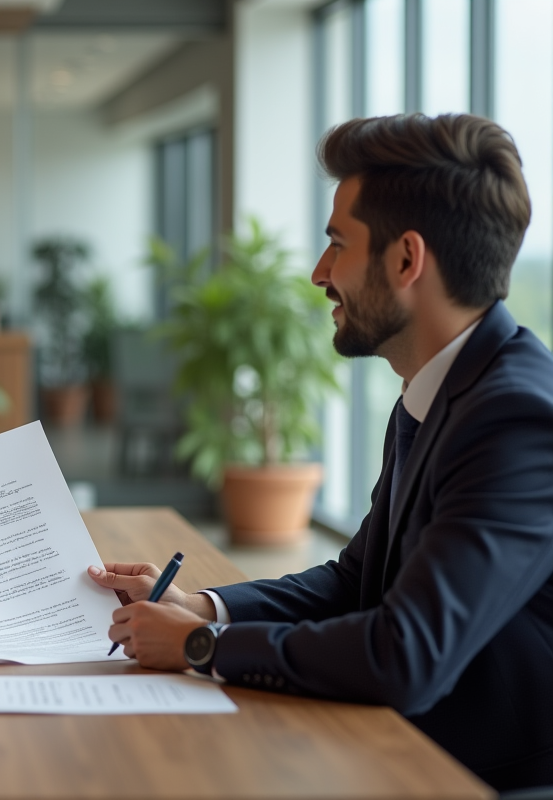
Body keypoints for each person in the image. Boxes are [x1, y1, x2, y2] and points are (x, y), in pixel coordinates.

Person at [87, 113, 553, 792]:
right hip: (405, 741)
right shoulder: (441, 388)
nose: (317, 272)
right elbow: (354, 582)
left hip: (477, 775)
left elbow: (406, 654)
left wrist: (199, 648)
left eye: (338, 244)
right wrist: (203, 608)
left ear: (406, 260)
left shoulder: (515, 417)